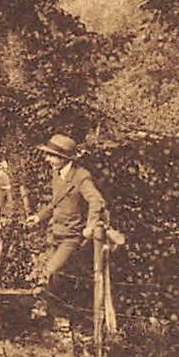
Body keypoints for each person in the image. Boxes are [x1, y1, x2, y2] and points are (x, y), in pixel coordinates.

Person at [26, 133, 109, 329]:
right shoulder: (58, 173)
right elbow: (56, 202)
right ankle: (56, 321)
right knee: (55, 280)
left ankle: (57, 317)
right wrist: (39, 217)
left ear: (65, 158)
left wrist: (90, 226)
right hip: (56, 234)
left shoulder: (81, 176)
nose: (48, 159)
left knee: (50, 272)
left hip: (71, 237)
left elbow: (97, 201)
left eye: (52, 156)